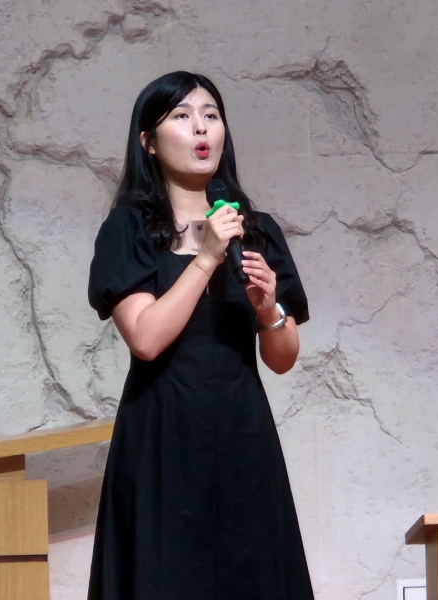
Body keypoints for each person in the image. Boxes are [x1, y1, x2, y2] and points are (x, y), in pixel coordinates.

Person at [87, 71, 313, 600]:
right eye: (182, 116)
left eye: (211, 115)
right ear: (148, 141)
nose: (200, 127)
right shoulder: (129, 229)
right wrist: (207, 257)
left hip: (243, 435)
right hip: (162, 439)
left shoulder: (256, 231)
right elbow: (146, 339)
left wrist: (267, 309)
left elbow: (283, 357)